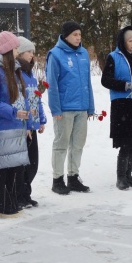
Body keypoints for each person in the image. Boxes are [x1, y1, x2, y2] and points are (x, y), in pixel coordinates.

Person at [0, 31, 30, 217]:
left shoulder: (13, 70)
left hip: (16, 124)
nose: (18, 51)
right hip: (3, 126)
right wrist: (12, 111)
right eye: (16, 48)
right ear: (8, 50)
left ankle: (10, 200)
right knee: (1, 166)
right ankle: (0, 204)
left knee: (13, 165)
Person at [45, 21, 95, 194]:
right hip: (65, 108)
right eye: (75, 34)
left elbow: (87, 82)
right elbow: (51, 84)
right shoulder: (55, 55)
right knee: (61, 144)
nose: (78, 38)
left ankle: (73, 177)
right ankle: (57, 179)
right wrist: (55, 109)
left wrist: (90, 106)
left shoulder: (83, 53)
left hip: (81, 108)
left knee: (78, 144)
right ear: (66, 35)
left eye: (80, 34)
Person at [101, 26, 132, 190]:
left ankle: (129, 175)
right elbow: (106, 80)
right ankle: (120, 177)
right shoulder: (114, 57)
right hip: (122, 105)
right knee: (125, 142)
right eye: (130, 41)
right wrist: (127, 85)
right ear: (123, 41)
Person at [16, 37, 47, 208]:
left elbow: (36, 98)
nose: (32, 55)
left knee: (33, 162)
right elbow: (22, 101)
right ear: (19, 52)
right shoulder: (17, 73)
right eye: (29, 51)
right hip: (23, 125)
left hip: (32, 124)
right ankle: (20, 194)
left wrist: (41, 119)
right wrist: (28, 124)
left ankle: (26, 192)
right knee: (23, 162)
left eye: (33, 52)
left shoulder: (31, 73)